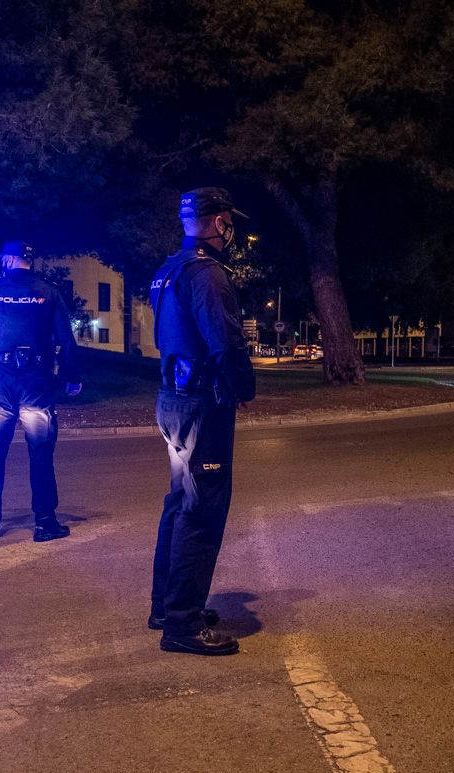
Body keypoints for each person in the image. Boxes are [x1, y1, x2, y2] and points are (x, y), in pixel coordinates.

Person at [149, 187, 256, 656]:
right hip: (201, 405)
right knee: (201, 509)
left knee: (179, 503)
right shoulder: (208, 274)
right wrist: (243, 387)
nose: (231, 230)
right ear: (217, 222)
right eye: (229, 221)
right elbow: (225, 342)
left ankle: (166, 607)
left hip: (172, 398)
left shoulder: (168, 270)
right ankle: (183, 625)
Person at [0, 241, 81, 542]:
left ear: (9, 259)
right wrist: (72, 376)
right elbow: (67, 341)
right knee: (41, 453)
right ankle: (45, 523)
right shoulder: (48, 292)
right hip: (36, 381)